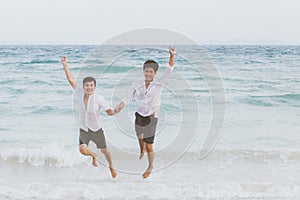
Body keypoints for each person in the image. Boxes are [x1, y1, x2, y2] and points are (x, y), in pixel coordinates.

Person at [115, 47, 175, 179]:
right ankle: (140, 149)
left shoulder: (159, 83)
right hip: (139, 114)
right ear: (143, 71)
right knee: (139, 136)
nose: (148, 73)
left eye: (151, 72)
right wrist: (120, 106)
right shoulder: (137, 83)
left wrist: (171, 56)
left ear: (155, 73)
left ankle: (150, 166)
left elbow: (169, 72)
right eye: (146, 71)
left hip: (152, 116)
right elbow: (128, 96)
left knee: (149, 146)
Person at [61, 56, 117, 178]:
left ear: (95, 87)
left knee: (105, 150)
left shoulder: (99, 98)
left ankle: (111, 166)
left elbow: (107, 110)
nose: (89, 87)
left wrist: (112, 112)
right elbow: (70, 80)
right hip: (84, 129)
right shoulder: (80, 93)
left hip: (97, 129)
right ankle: (93, 156)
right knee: (82, 150)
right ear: (83, 87)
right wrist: (65, 64)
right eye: (87, 85)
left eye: (91, 85)